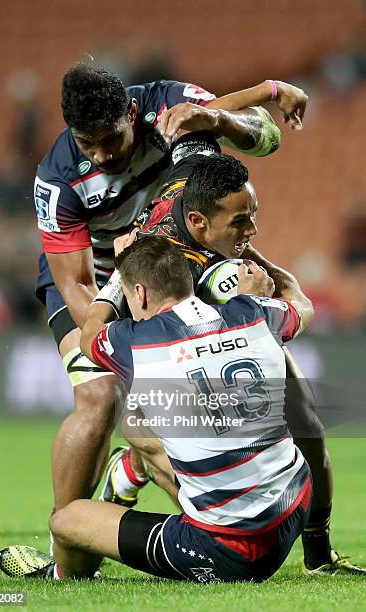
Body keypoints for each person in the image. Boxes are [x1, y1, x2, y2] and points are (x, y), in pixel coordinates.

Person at [33, 60, 308, 514]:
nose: (102, 155)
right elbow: (77, 284)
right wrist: (133, 354)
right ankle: (66, 537)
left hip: (171, 271)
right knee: (100, 398)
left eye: (111, 139)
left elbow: (257, 136)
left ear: (132, 114)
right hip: (101, 280)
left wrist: (258, 97)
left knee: (201, 397)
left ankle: (146, 481)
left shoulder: (163, 105)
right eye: (88, 144)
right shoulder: (58, 179)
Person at [99, 152, 366, 575]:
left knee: (309, 428)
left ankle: (319, 554)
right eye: (241, 222)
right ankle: (189, 524)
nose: (252, 230)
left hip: (236, 324)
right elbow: (140, 316)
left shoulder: (196, 177)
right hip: (172, 343)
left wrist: (242, 106)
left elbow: (192, 125)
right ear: (199, 223)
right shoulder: (159, 253)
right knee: (174, 446)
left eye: (252, 216)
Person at [0, 236, 314, 582]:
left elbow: (89, 334)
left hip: (231, 551)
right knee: (145, 422)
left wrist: (118, 278)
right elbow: (301, 301)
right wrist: (253, 260)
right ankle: (130, 473)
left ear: (141, 294)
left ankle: (62, 574)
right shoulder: (253, 312)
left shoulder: (138, 341)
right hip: (295, 503)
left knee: (66, 521)